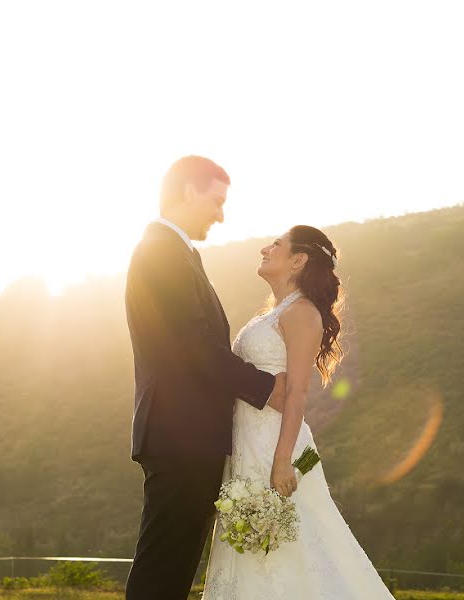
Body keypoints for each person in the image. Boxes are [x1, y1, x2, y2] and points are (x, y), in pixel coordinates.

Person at [123, 155, 288, 600]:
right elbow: (192, 344)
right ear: (189, 191)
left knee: (172, 567)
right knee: (164, 565)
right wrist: (266, 387)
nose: (221, 213)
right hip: (180, 434)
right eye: (216, 200)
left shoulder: (175, 252)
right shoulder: (161, 251)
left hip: (185, 434)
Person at [202, 225, 396, 599]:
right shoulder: (273, 313)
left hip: (276, 446)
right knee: (253, 546)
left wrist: (281, 461)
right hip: (247, 443)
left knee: (293, 546)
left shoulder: (303, 313)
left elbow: (297, 392)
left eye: (275, 244)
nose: (264, 248)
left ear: (298, 259)